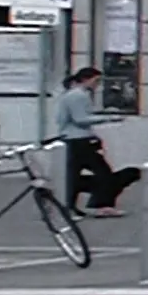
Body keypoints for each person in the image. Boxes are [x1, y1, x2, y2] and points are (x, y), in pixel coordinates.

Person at [51, 66, 140, 216]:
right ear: (85, 79)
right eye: (96, 81)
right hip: (81, 141)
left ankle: (68, 206)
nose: (97, 85)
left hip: (72, 140)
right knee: (103, 173)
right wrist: (109, 118)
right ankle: (101, 205)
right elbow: (80, 119)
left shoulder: (69, 95)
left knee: (73, 175)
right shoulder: (79, 95)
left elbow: (63, 119)